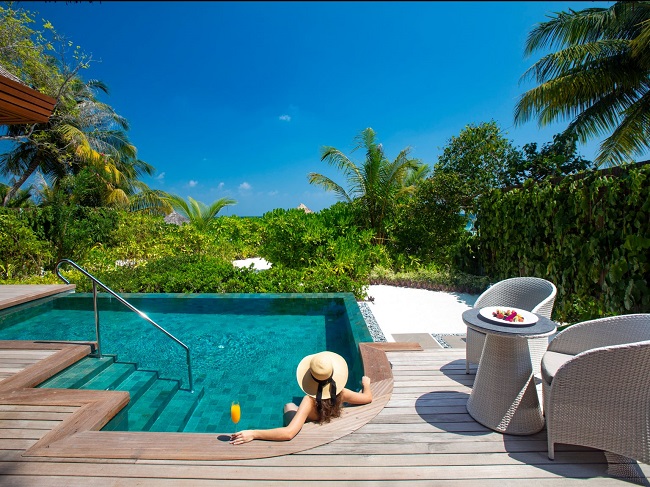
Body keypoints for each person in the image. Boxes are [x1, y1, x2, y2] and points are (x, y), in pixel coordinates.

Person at [230, 350, 372, 444]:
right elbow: (367, 398)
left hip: (311, 423)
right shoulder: (341, 392)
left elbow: (289, 433)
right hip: (328, 416)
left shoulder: (309, 401)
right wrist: (366, 384)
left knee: (289, 406)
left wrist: (254, 433)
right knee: (293, 407)